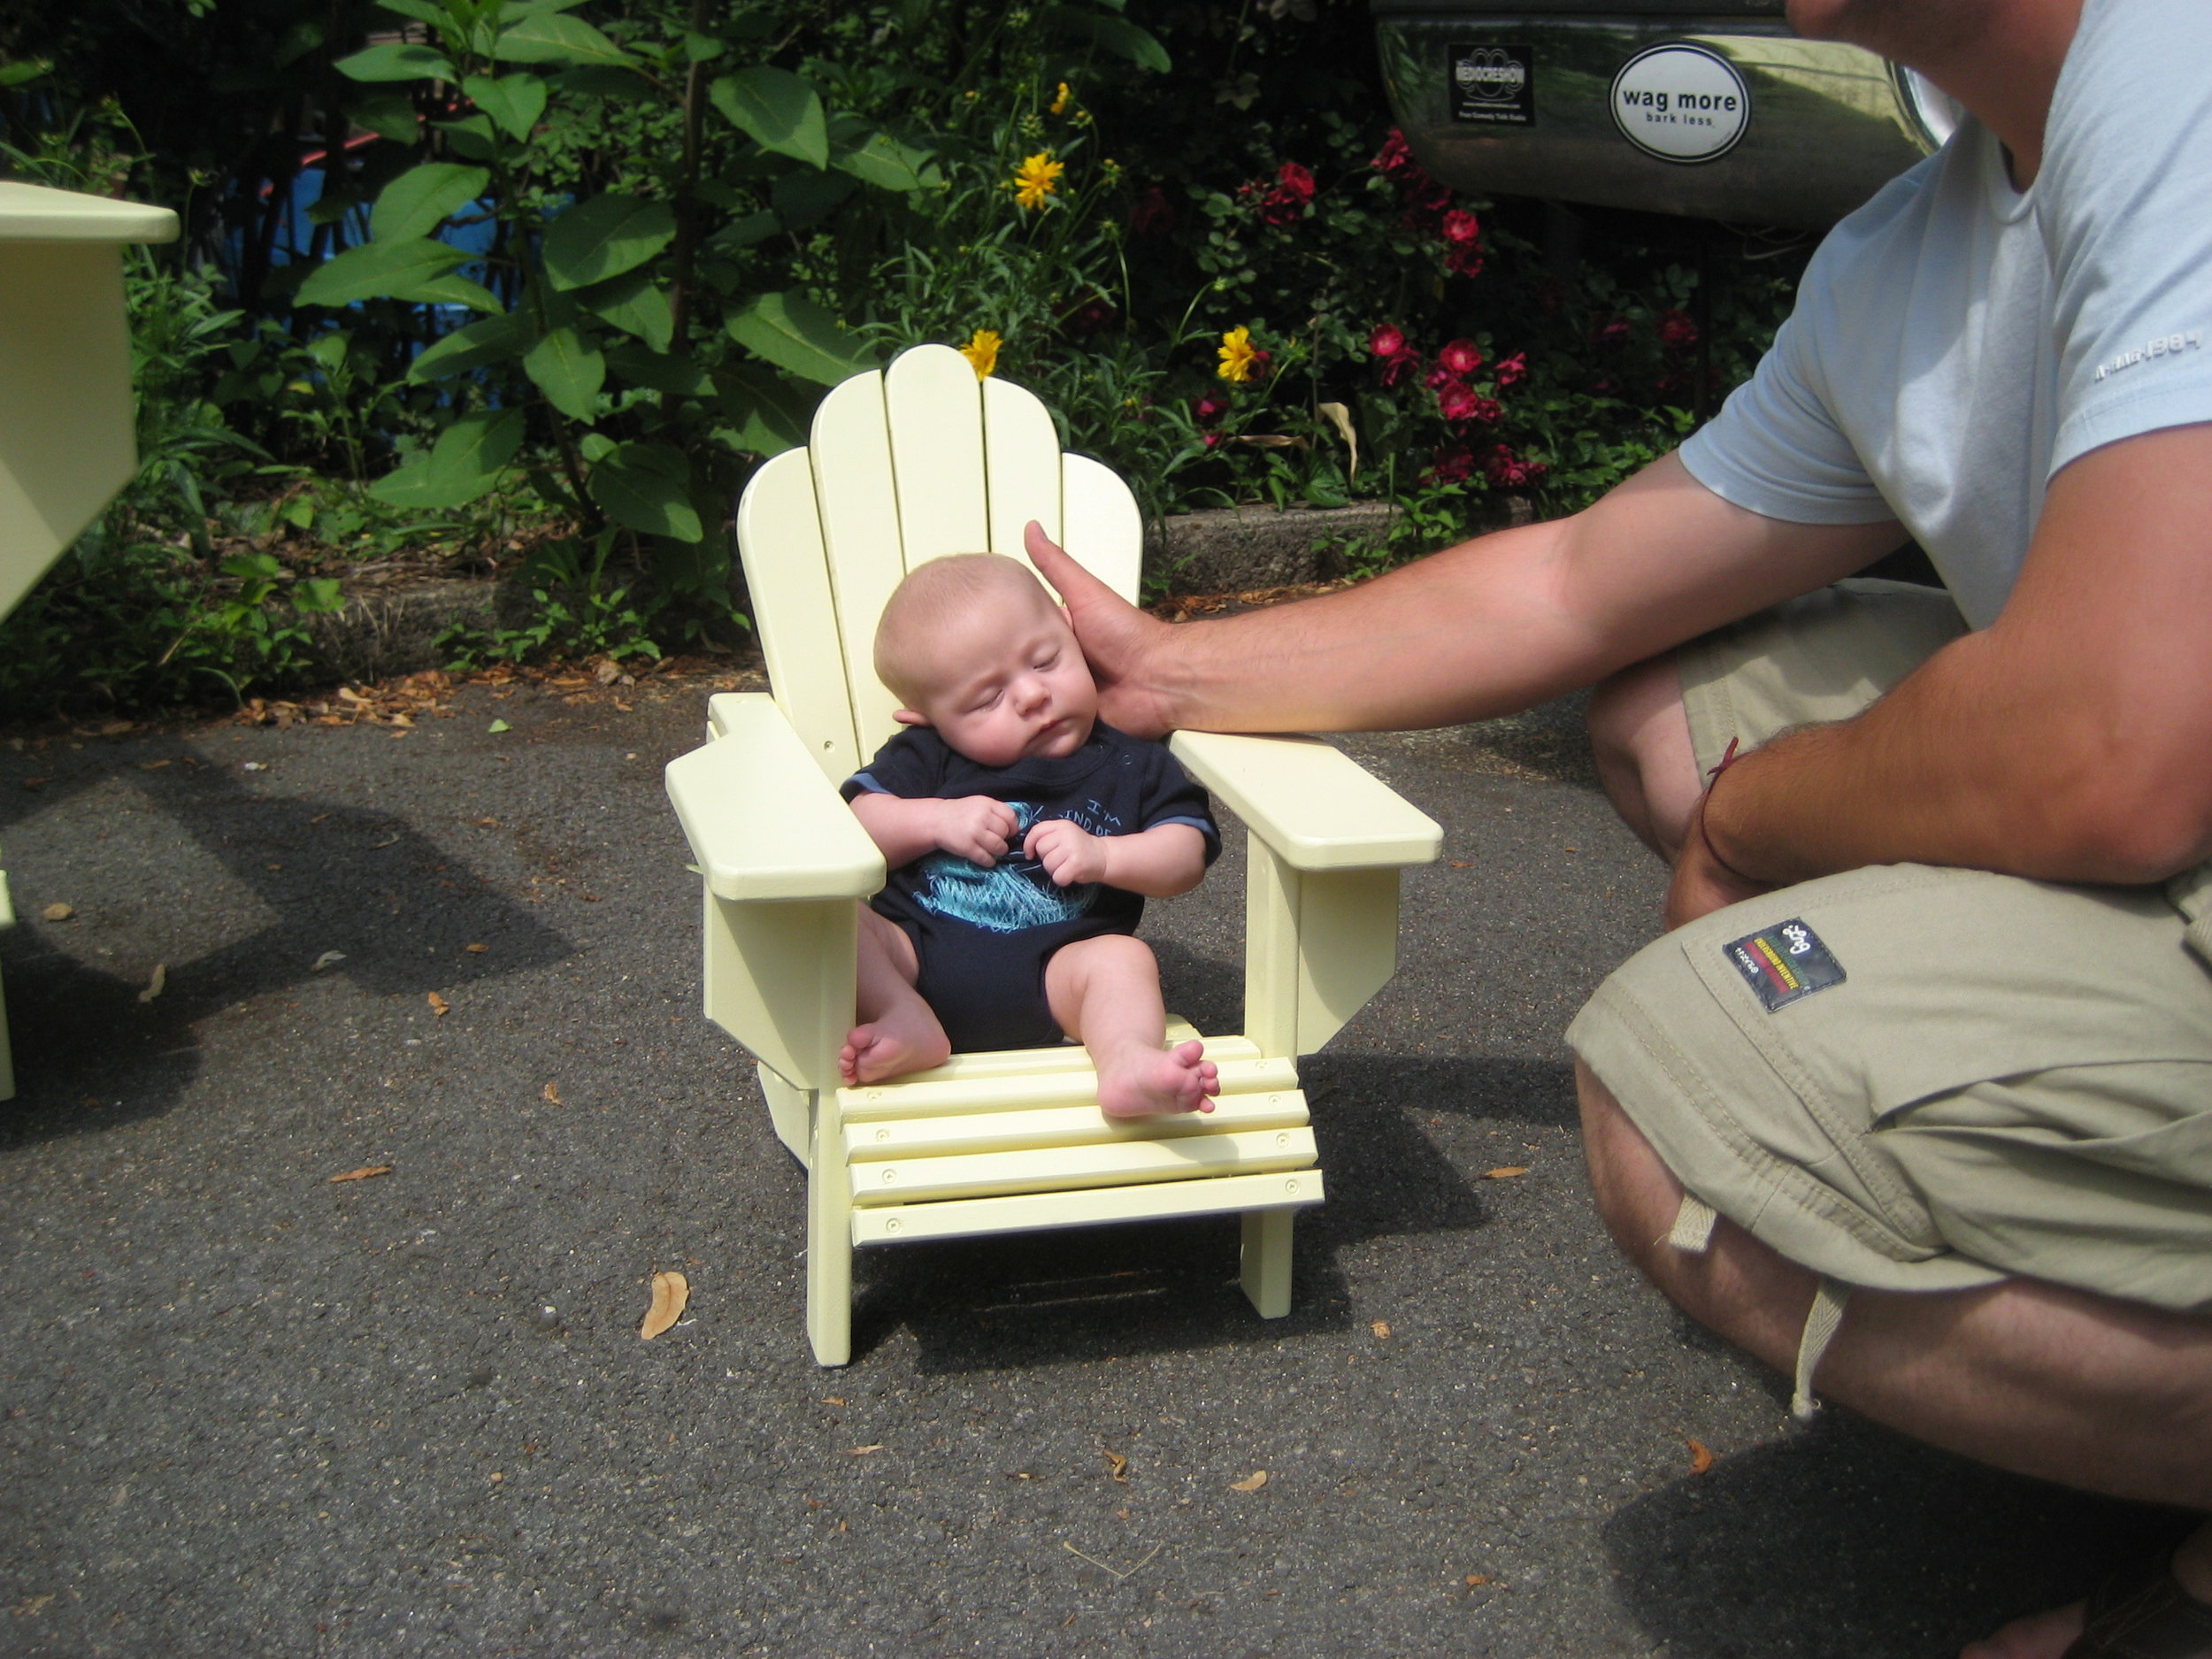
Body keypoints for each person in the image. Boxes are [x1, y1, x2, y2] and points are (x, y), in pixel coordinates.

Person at [1022, 1, 2212, 1652]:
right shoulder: (1917, 251)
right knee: (1672, 699)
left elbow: (2115, 746)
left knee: (1681, 1117)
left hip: (2163, 773)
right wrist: (1165, 671)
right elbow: (1586, 581)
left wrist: (1758, 823)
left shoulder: (2184, 70)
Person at [835, 552, 1224, 1120]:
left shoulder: (1131, 764)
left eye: (1045, 661)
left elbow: (1185, 855)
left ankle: (1127, 1062)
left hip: (1059, 978)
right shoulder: (928, 759)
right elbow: (856, 825)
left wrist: (1105, 854)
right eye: (987, 699)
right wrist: (934, 820)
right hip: (913, 959)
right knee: (836, 920)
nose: (1031, 696)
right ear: (925, 718)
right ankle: (904, 1017)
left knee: (1122, 959)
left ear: (1071, 630)